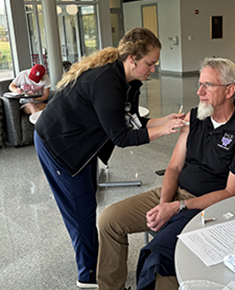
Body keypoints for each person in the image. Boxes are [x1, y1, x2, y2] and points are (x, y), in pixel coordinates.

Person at [34, 27, 186, 289]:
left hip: (81, 144)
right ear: (132, 59)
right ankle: (88, 277)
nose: (153, 69)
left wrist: (166, 120)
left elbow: (133, 120)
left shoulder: (131, 81)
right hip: (59, 145)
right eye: (149, 63)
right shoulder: (106, 81)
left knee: (86, 201)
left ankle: (92, 265)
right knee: (81, 211)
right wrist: (163, 131)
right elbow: (122, 137)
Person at [96, 57, 235, 290]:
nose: (200, 92)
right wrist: (164, 204)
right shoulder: (195, 117)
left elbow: (231, 192)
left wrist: (177, 208)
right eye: (199, 84)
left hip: (208, 208)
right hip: (174, 195)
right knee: (109, 221)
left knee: (158, 260)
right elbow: (174, 167)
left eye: (208, 85)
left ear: (230, 90)